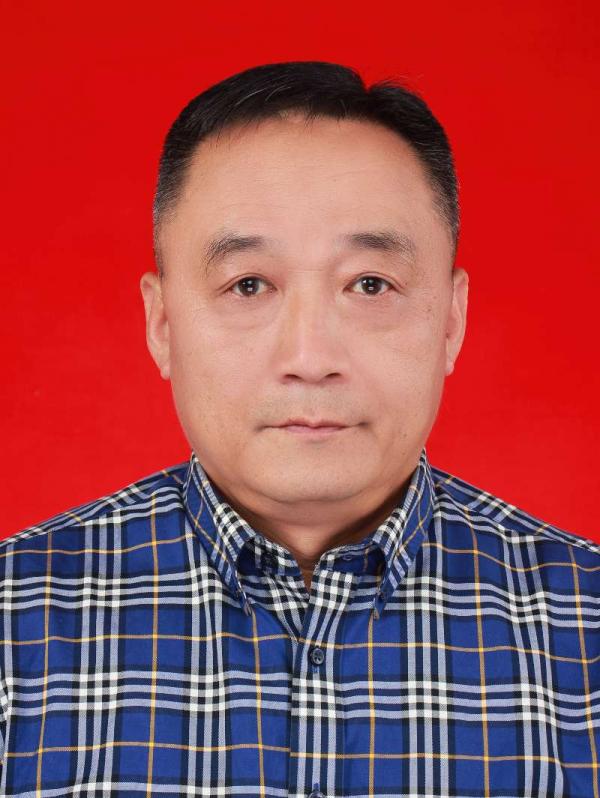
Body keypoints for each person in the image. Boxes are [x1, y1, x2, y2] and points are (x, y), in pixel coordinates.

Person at [0, 61, 597, 798]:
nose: (310, 358)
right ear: (162, 324)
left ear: (451, 320)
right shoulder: (14, 624)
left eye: (370, 284)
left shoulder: (586, 629)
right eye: (248, 285)